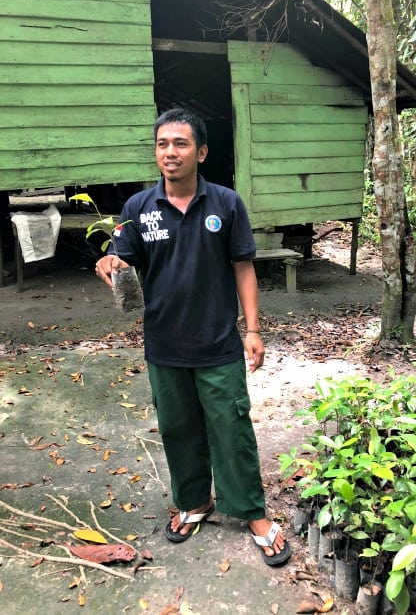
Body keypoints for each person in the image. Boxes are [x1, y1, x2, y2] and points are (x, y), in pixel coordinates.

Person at [95, 108, 291, 566]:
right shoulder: (137, 209)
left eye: (181, 144)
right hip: (164, 344)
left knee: (231, 428)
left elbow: (244, 267)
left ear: (200, 152)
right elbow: (121, 253)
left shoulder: (226, 203)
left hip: (218, 342)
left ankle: (251, 512)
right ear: (156, 151)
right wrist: (110, 262)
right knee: (178, 429)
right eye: (163, 144)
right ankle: (195, 501)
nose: (171, 152)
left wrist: (254, 330)